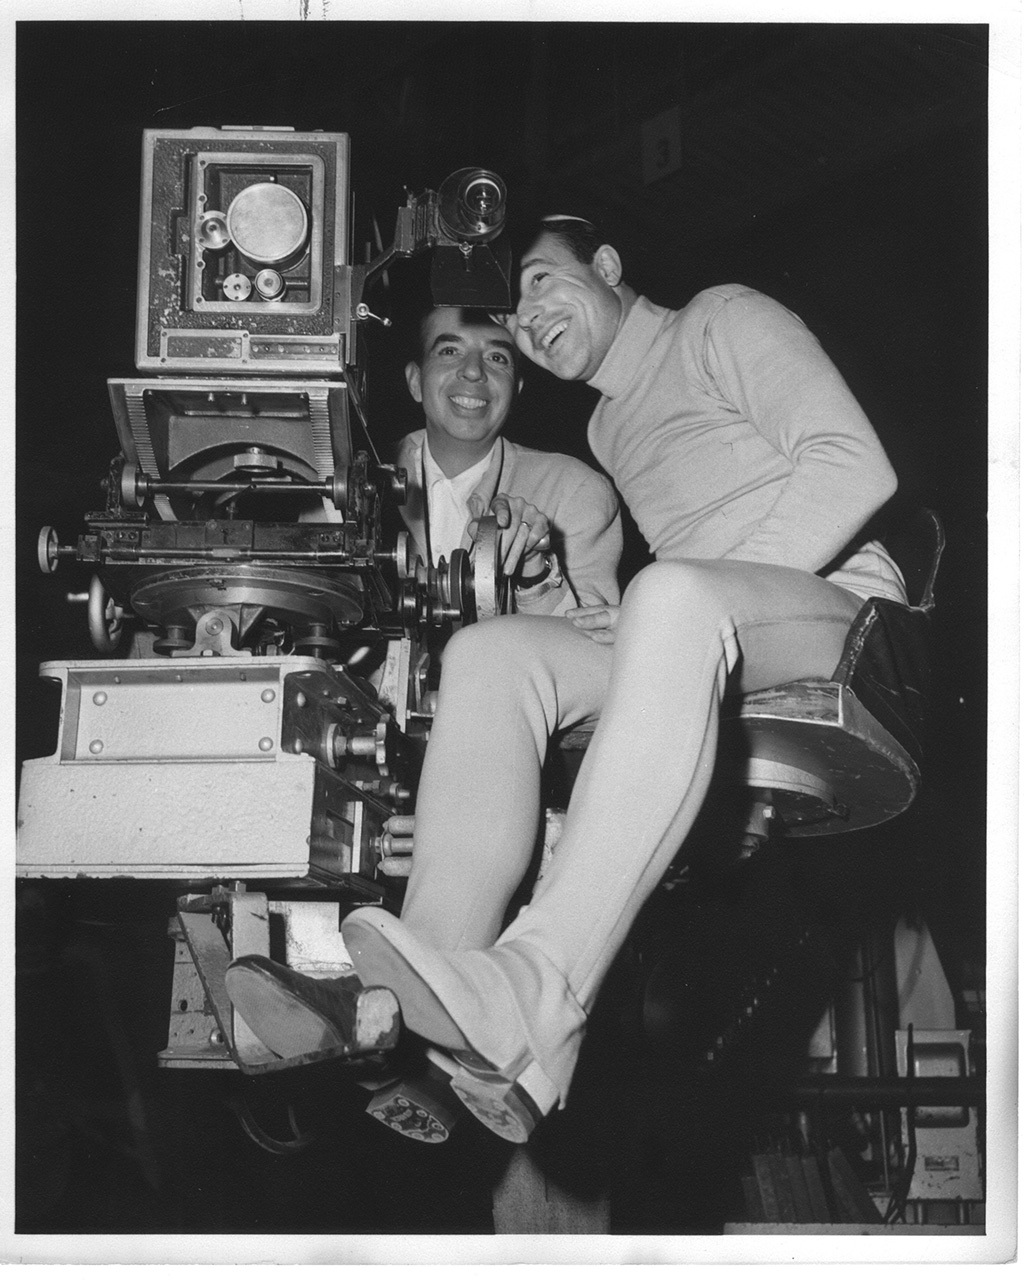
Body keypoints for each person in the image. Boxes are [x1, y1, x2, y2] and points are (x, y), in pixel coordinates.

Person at [226, 215, 907, 1145]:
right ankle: (420, 1010)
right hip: (709, 621)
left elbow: (854, 465)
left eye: (545, 281)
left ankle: (541, 999)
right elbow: (683, 589)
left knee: (667, 595)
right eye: (520, 304)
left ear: (611, 267)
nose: (532, 315)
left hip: (839, 614)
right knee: (494, 654)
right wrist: (633, 614)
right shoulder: (607, 423)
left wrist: (666, 604)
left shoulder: (718, 320)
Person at [392, 304, 622, 615]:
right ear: (415, 381)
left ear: (516, 390)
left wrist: (534, 567)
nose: (473, 370)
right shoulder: (356, 478)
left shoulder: (574, 491)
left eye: (497, 358)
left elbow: (589, 648)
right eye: (449, 351)